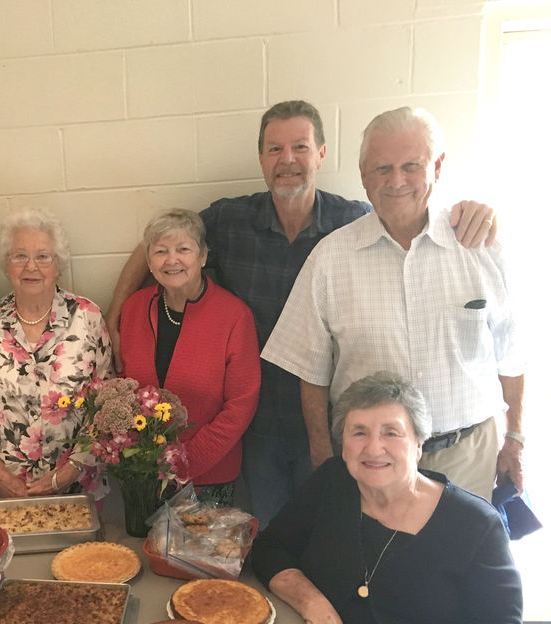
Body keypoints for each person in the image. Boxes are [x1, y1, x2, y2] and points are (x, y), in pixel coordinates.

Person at [104, 100, 498, 527]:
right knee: (273, 537)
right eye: (274, 149)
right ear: (261, 158)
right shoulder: (230, 219)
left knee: (335, 537)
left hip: (336, 426)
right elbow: (160, 243)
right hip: (259, 422)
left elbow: (411, 219)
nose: (287, 160)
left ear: (321, 154)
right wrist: (115, 318)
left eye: (300, 147)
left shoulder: (355, 222)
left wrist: (473, 213)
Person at [249, 372, 525, 624]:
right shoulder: (332, 485)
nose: (373, 448)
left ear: (418, 444)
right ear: (342, 444)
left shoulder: (474, 525)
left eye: (391, 433)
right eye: (358, 432)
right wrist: (318, 608)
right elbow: (271, 548)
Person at [261, 107, 524, 502]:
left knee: (462, 561)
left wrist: (516, 437)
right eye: (382, 169)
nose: (396, 181)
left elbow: (513, 355)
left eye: (411, 166)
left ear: (437, 167)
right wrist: (322, 453)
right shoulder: (329, 258)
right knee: (377, 564)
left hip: (467, 454)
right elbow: (311, 372)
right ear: (364, 176)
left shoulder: (480, 246)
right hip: (372, 462)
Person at [0, 208, 114, 505]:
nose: (31, 266)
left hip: (76, 489)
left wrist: (71, 469)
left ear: (58, 265)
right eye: (19, 256)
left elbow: (105, 400)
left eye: (43, 256)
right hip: (0, 490)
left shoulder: (88, 316)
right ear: (6, 264)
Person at [119, 208, 260, 505]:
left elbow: (241, 405)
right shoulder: (134, 308)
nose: (171, 260)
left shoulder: (235, 316)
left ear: (203, 256)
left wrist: (184, 462)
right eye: (160, 251)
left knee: (201, 551)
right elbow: (122, 385)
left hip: (210, 477)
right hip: (143, 471)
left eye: (183, 249)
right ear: (149, 262)